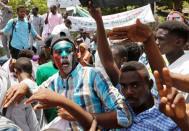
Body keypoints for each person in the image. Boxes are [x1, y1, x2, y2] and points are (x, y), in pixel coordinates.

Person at [2, 34, 133, 130]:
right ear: (53, 59)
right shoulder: (53, 82)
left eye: (68, 51)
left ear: (76, 54)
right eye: (59, 52)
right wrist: (24, 86)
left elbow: (125, 117)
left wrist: (79, 115)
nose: (64, 55)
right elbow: (35, 91)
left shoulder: (93, 75)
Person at [5, 57, 40, 131]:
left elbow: (19, 121)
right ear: (31, 70)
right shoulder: (38, 87)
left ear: (15, 70)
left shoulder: (19, 91)